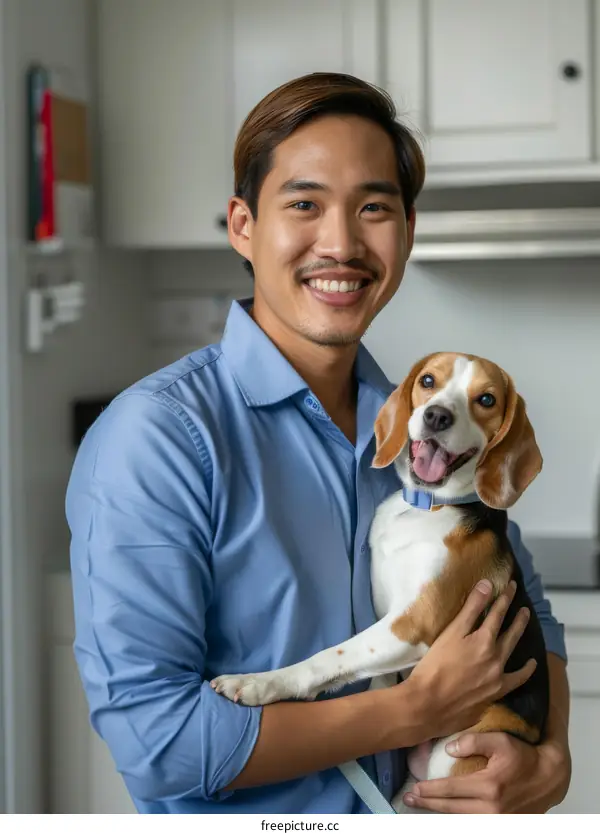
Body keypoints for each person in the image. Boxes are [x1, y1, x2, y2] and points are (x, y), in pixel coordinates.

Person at [65, 72, 571, 815]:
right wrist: (411, 712)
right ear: (243, 225)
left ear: (406, 232)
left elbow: (533, 615)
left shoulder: (423, 433)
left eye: (374, 208)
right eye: (304, 204)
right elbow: (159, 745)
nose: (340, 243)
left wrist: (550, 759)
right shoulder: (158, 439)